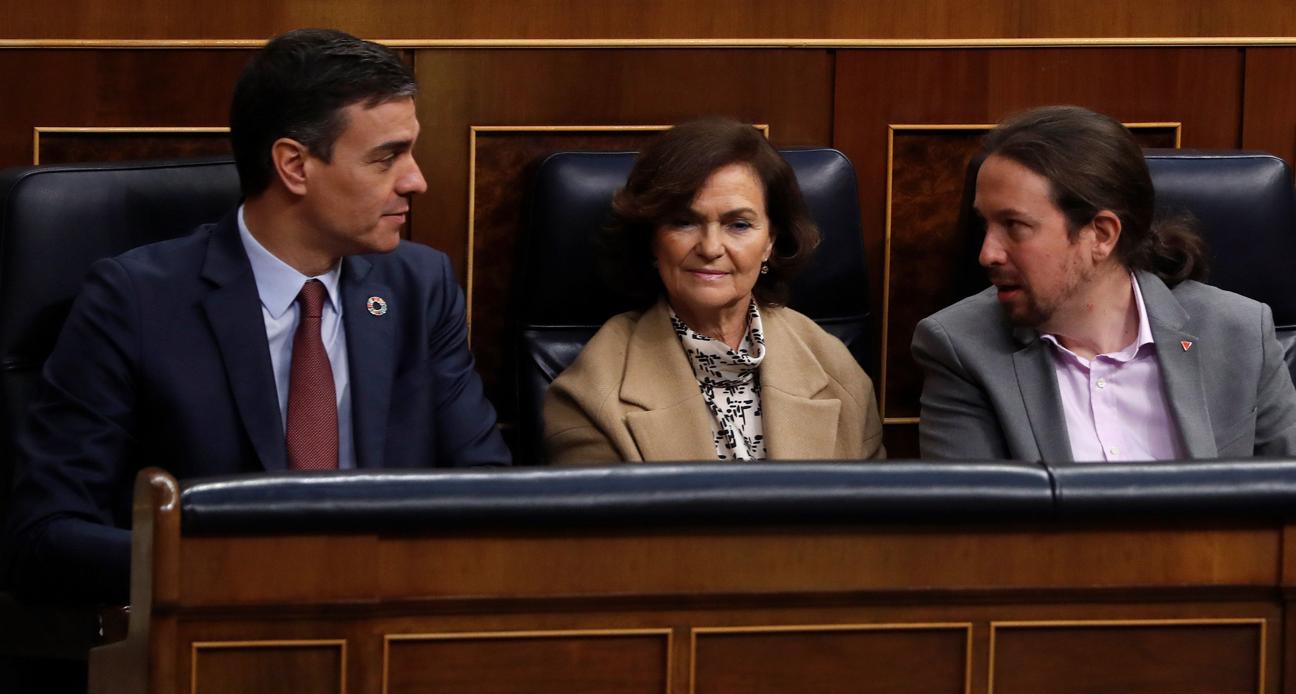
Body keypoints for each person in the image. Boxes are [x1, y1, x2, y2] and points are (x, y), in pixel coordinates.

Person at [7, 29, 509, 608]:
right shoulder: (135, 302)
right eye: (386, 157)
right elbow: (43, 537)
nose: (416, 179)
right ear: (294, 165)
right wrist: (246, 571)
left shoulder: (422, 287)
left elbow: (488, 497)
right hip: (212, 646)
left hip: (395, 635)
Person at [911, 105, 1296, 462]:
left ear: (1102, 234)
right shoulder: (960, 348)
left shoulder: (1236, 333)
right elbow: (971, 540)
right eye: (985, 224)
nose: (987, 253)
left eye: (1014, 226)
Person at [542, 118, 884, 463]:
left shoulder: (835, 369)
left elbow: (872, 513)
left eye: (739, 225)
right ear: (651, 239)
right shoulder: (592, 391)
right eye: (684, 221)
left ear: (770, 242)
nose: (710, 247)